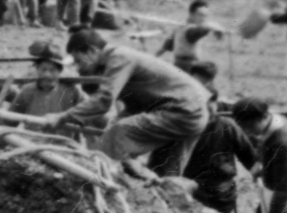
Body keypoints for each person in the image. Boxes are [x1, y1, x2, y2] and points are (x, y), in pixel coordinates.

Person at [44, 29, 209, 177]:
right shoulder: (119, 58)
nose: (79, 68)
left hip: (184, 111)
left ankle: (88, 179)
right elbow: (135, 104)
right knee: (165, 174)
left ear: (92, 51)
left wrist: (61, 117)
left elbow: (104, 100)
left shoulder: (119, 58)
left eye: (79, 61)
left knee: (118, 134)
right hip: (192, 112)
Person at [181, 63, 256, 213]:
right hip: (191, 190)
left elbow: (250, 157)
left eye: (212, 102)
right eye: (203, 103)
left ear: (216, 103)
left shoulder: (228, 126)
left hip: (221, 194)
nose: (208, 107)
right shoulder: (184, 126)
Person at [231, 97, 287, 213]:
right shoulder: (273, 122)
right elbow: (263, 143)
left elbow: (285, 189)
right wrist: (259, 163)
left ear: (262, 117)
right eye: (243, 127)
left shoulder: (282, 144)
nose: (246, 131)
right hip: (272, 192)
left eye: (249, 126)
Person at [6, 41, 83, 121]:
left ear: (59, 71)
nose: (47, 74)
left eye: (52, 70)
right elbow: (9, 120)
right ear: (37, 69)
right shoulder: (27, 91)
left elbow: (88, 111)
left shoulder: (71, 91)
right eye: (43, 69)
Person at [156, 0, 223, 73]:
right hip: (188, 67)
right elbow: (199, 30)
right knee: (211, 67)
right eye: (200, 15)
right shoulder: (190, 30)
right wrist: (215, 27)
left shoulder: (180, 27)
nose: (203, 19)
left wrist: (154, 57)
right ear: (191, 14)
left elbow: (166, 46)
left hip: (178, 65)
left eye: (205, 16)